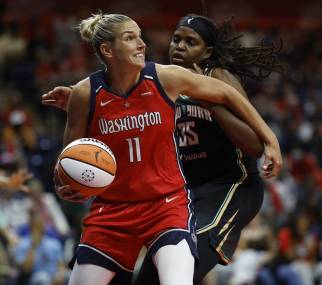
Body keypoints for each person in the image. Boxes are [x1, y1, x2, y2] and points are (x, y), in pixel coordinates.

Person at [42, 13, 283, 284]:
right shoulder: (146, 83)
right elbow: (114, 105)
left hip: (223, 186)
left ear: (207, 51)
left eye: (190, 42)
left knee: (191, 256)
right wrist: (79, 103)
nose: (179, 47)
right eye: (176, 39)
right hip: (172, 191)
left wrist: (266, 138)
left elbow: (249, 139)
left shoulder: (205, 77)